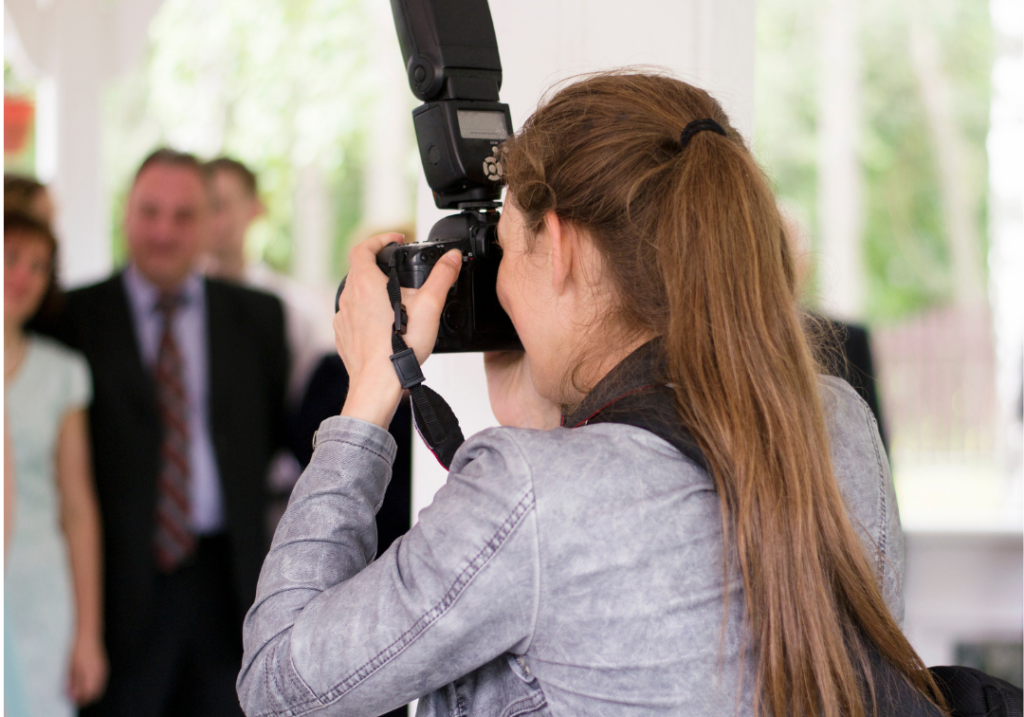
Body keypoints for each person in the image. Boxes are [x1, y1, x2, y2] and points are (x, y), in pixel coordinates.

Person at [238, 73, 947, 717]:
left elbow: (279, 684)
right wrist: (548, 423)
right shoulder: (836, 422)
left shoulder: (531, 493)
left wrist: (369, 388)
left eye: (509, 249)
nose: (503, 287)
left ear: (562, 246)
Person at [49, 149, 289, 717]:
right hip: (117, 590)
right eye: (150, 212)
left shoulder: (259, 317)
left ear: (209, 222)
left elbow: (270, 429)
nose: (164, 230)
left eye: (183, 216)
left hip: (228, 586)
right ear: (126, 214)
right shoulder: (72, 318)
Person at [4, 212, 108, 715]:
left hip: (39, 591)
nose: (21, 276)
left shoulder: (62, 372)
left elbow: (77, 508)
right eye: (10, 259)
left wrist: (87, 636)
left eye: (37, 266)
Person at [202, 157, 334, 406]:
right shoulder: (173, 304)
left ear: (254, 209)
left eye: (219, 206)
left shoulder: (293, 308)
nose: (210, 218)